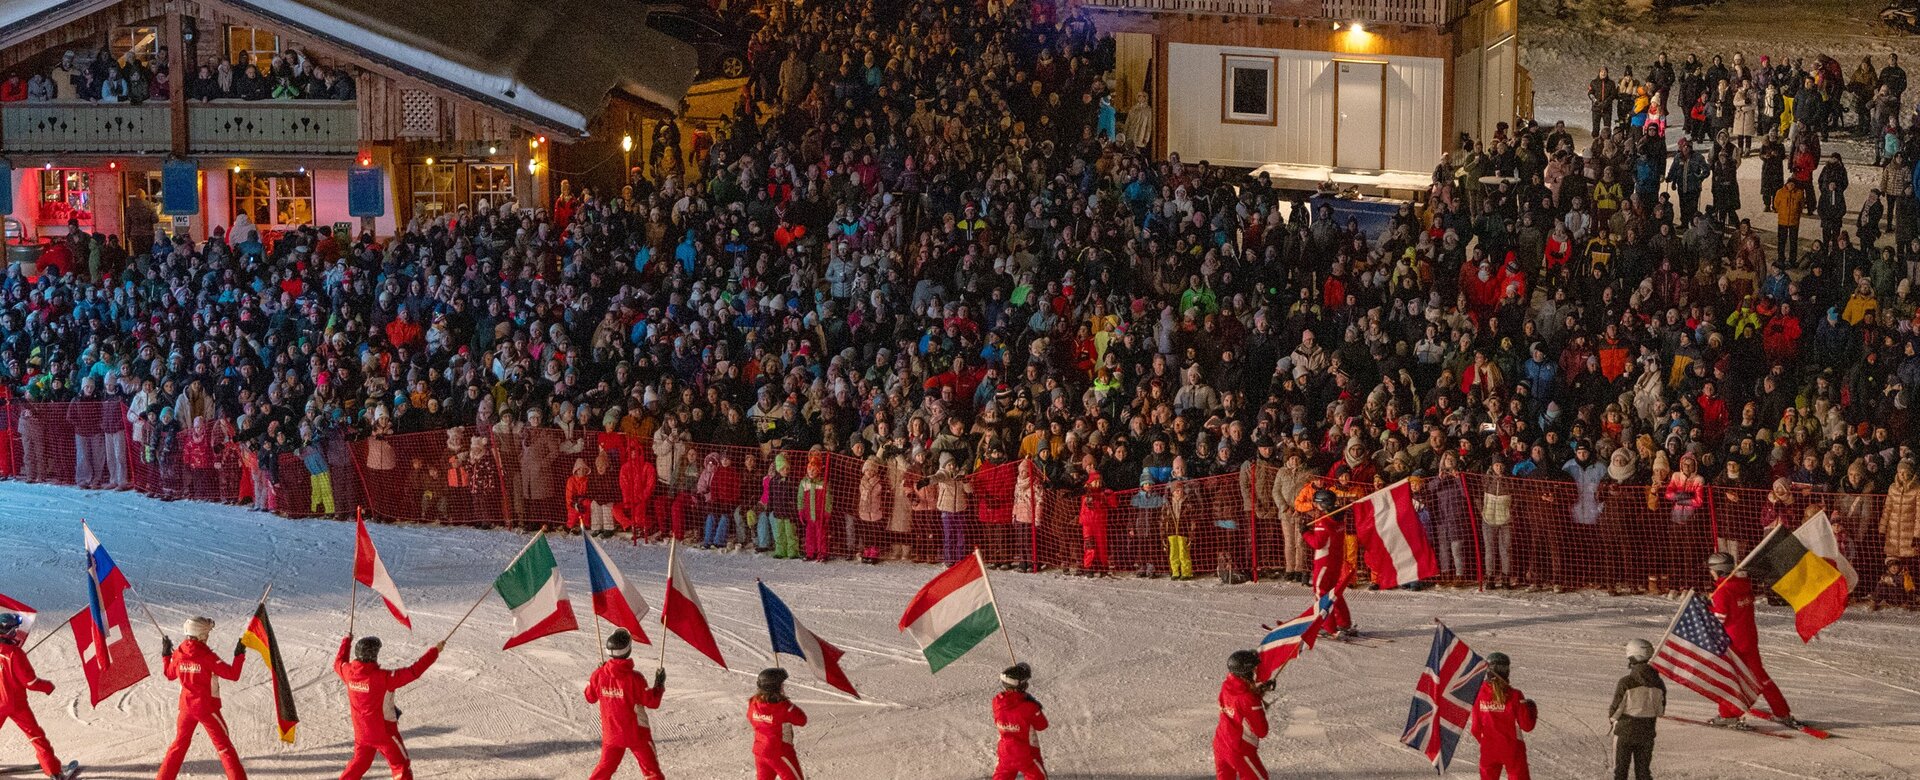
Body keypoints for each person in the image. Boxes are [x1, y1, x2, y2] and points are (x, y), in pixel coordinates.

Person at [1705, 552, 1797, 727]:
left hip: (1733, 644)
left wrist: (1707, 608)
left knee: (1730, 678)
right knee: (1760, 677)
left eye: (1711, 570)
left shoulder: (1722, 591)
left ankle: (1728, 715)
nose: (1710, 573)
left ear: (1717, 571)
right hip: (1749, 639)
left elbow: (1719, 620)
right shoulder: (1743, 585)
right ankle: (1782, 711)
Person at [336, 634, 443, 780]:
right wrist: (434, 652)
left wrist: (346, 641)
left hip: (362, 734)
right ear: (374, 655)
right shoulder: (383, 678)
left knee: (360, 764)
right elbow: (413, 672)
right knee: (401, 766)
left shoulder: (348, 672)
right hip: (384, 733)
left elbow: (339, 662)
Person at [157, 616, 249, 780]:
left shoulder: (179, 653)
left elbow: (169, 674)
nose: (207, 638)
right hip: (206, 709)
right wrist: (239, 655)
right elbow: (233, 674)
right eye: (206, 635)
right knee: (224, 748)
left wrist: (166, 655)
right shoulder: (207, 657)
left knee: (178, 746)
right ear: (200, 635)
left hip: (186, 709)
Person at [585, 629, 666, 780]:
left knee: (604, 770)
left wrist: (599, 673)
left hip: (612, 735)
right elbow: (652, 702)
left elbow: (590, 697)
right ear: (628, 651)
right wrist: (659, 685)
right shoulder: (635, 679)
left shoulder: (599, 675)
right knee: (651, 771)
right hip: (636, 735)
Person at [0, 613, 68, 779]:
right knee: (35, 735)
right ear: (8, 632)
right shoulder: (15, 654)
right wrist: (47, 686)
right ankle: (53, 771)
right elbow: (29, 682)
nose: (16, 633)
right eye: (14, 630)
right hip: (16, 704)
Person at [1469, 652, 1536, 780]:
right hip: (1512, 749)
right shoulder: (1515, 695)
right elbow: (1527, 726)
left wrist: (1488, 742)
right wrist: (1531, 709)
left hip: (1489, 749)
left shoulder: (1479, 694)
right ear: (1507, 672)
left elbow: (1475, 728)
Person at [1608, 638, 1666, 780]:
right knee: (1643, 771)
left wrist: (1612, 719)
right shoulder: (1658, 683)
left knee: (1621, 770)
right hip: (1647, 732)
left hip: (1626, 731)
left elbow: (1615, 711)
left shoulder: (1626, 682)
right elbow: (1660, 711)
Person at [1300, 489, 1354, 637]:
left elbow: (1318, 543)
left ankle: (1328, 626)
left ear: (1322, 505)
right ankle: (1344, 623)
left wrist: (1305, 533)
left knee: (1321, 593)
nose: (1315, 506)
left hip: (1324, 562)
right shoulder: (1338, 518)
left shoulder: (1323, 521)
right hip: (1335, 562)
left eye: (1316, 504)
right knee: (1334, 592)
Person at [1214, 649, 1272, 780]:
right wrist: (1257, 703)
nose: (1257, 671)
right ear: (1248, 672)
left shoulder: (1227, 685)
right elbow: (1262, 731)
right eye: (1255, 668)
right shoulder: (1249, 699)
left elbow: (1239, 698)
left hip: (1221, 744)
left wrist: (1259, 690)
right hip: (1240, 749)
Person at [748, 668, 807, 780]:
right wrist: (786, 703)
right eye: (781, 684)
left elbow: (751, 718)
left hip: (760, 753)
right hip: (780, 753)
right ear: (776, 687)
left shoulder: (753, 702)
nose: (783, 687)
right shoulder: (783, 708)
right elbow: (801, 720)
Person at [991, 662, 1047, 779]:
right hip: (1026, 754)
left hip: (1005, 751)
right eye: (1025, 683)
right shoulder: (1029, 707)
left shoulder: (997, 701)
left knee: (1003, 775)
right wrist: (1035, 707)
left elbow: (1012, 706)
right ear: (1022, 686)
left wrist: (1023, 698)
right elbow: (1042, 725)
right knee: (1037, 777)